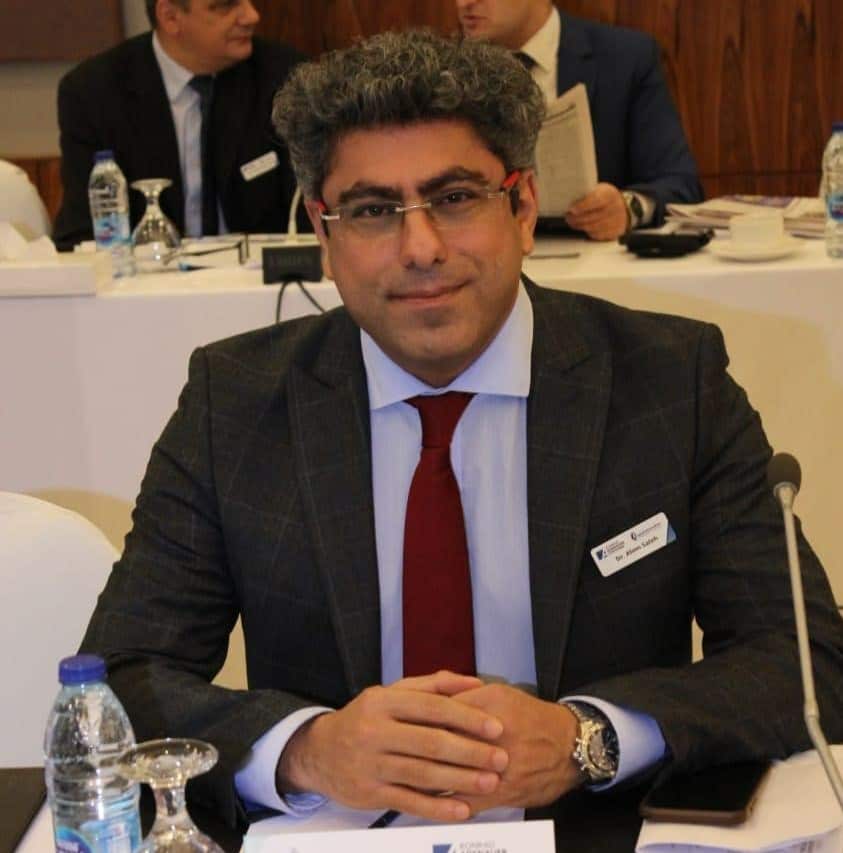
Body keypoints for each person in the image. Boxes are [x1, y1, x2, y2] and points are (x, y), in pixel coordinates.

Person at [80, 29, 843, 844]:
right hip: (340, 834)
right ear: (323, 234)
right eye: (373, 211)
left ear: (521, 208)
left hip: (589, 830)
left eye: (454, 198)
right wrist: (306, 748)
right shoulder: (234, 401)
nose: (421, 249)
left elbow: (804, 662)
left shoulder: (668, 382)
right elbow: (120, 680)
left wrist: (590, 737)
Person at [52, 0, 305, 250]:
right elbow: (82, 234)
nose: (251, 16)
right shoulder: (95, 92)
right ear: (171, 17)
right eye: (226, 6)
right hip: (146, 283)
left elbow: (310, 218)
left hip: (258, 281)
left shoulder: (283, 76)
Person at [457, 0, 703, 240]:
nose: (463, 3)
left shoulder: (625, 59)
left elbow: (681, 185)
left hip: (594, 265)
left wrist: (628, 208)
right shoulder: (447, 72)